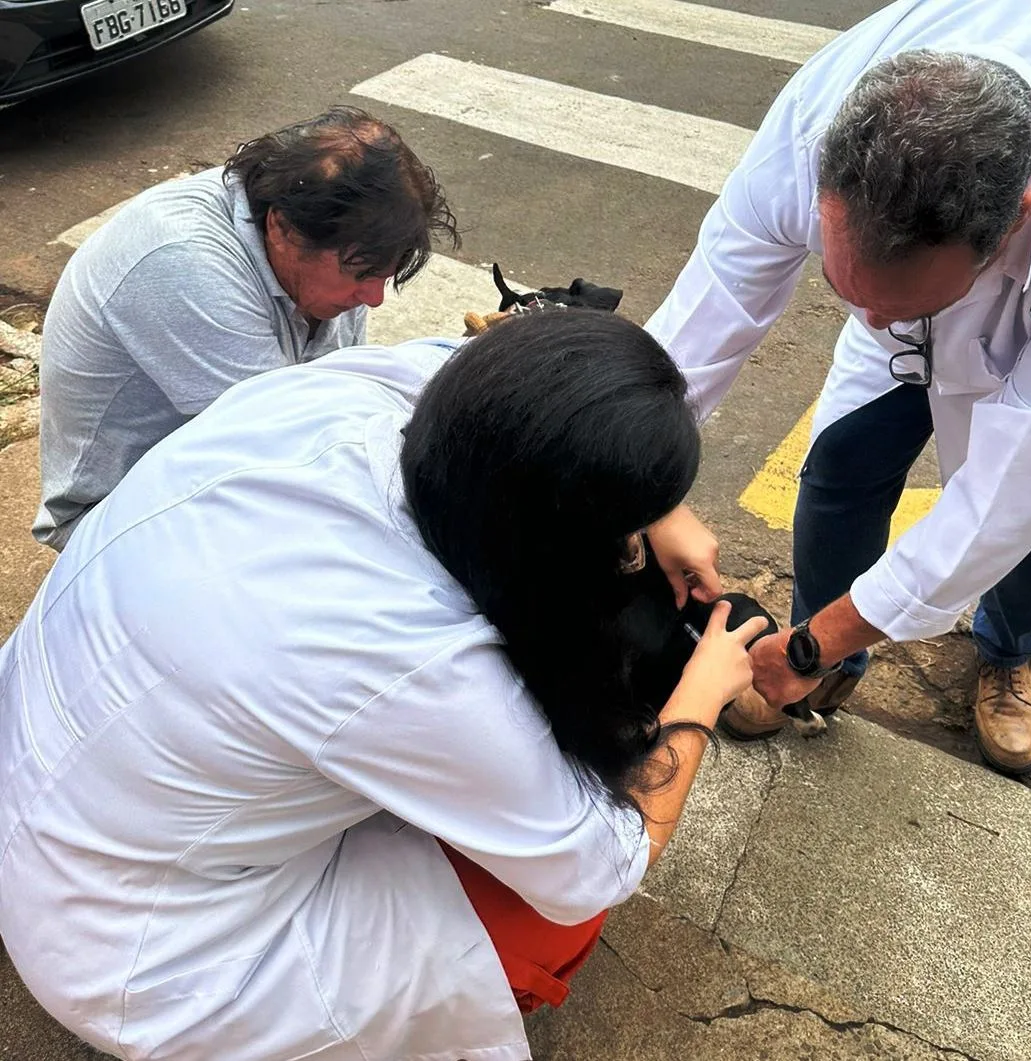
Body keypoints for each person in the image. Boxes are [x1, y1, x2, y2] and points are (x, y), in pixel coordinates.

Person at [0, 310, 765, 1061]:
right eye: (621, 532)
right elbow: (601, 864)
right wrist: (700, 691)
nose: (631, 543)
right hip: (138, 955)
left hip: (38, 779)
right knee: (552, 919)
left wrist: (651, 502)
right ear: (556, 532)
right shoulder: (418, 658)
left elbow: (481, 353)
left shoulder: (349, 393)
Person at [645, 0, 1031, 776]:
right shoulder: (817, 114)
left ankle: (1007, 653)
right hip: (935, 276)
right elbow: (710, 312)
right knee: (839, 467)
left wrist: (816, 639)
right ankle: (824, 663)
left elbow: (1017, 487)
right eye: (847, 289)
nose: (864, 318)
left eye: (895, 301)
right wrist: (640, 487)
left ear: (1019, 217)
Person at [33, 105, 458, 551]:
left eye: (385, 275)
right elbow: (289, 457)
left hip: (221, 466)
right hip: (109, 514)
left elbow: (339, 403)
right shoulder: (181, 261)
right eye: (363, 275)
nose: (374, 298)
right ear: (282, 229)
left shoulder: (336, 238)